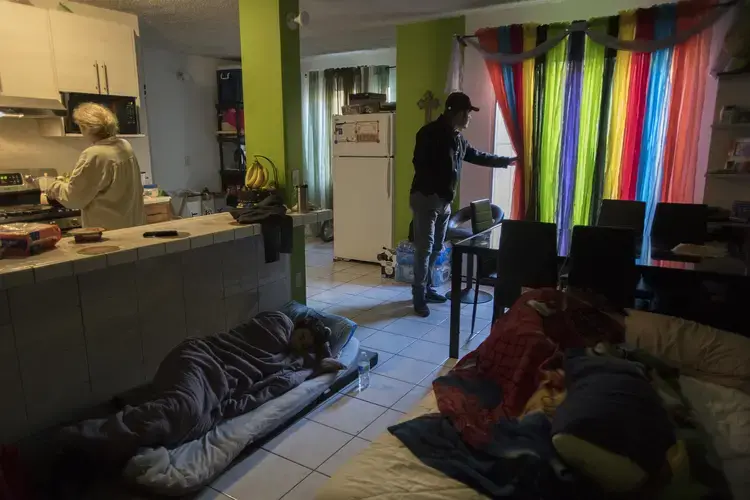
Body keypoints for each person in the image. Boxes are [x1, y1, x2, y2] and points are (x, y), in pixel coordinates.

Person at [410, 92, 516, 317]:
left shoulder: (458, 138)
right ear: (458, 113)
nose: (470, 117)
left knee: (437, 247)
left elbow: (476, 155)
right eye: (468, 113)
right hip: (427, 198)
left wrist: (505, 161)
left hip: (444, 201)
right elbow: (419, 164)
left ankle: (428, 288)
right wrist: (437, 187)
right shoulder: (429, 133)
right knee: (425, 248)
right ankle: (418, 295)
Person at [45, 103, 145, 230]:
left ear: (86, 128)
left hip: (107, 233)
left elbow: (74, 198)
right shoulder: (124, 146)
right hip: (132, 227)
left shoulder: (94, 154)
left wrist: (54, 186)